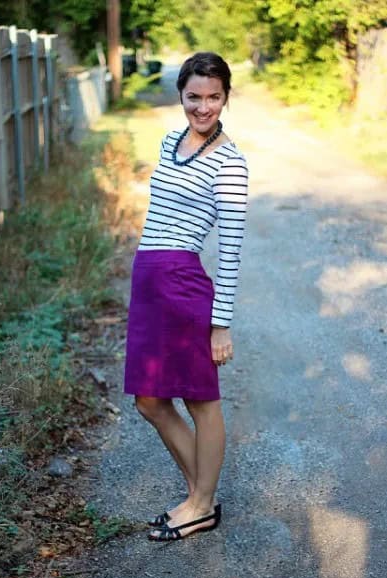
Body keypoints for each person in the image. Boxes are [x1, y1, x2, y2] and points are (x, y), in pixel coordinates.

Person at [123, 52, 248, 541]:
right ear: (181, 94)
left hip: (183, 284)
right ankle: (201, 497)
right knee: (149, 400)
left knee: (200, 400)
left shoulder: (231, 163)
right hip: (148, 278)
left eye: (213, 97)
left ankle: (199, 504)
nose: (203, 108)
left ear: (226, 97)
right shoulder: (169, 140)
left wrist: (221, 322)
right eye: (194, 97)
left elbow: (231, 251)